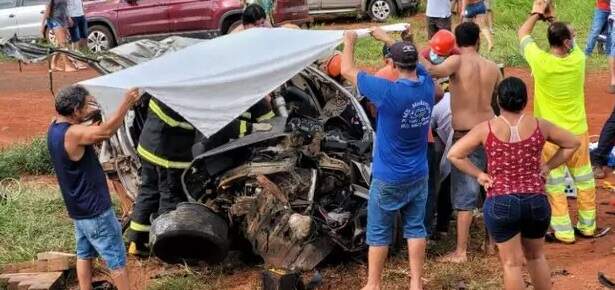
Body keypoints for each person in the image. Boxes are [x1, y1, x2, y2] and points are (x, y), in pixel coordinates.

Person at [448, 77, 579, 290]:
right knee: (537, 257)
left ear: (498, 101)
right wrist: (547, 167)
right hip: (535, 200)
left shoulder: (487, 128)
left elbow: (455, 154)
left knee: (511, 264)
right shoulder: (539, 126)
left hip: (501, 201)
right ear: (525, 100)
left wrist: (480, 175)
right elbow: (572, 142)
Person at [342, 27, 435, 290]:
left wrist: (349, 42)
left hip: (388, 177)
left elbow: (347, 70)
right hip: (418, 173)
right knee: (415, 228)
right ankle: (415, 283)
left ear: (392, 65)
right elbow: (421, 64)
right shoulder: (427, 86)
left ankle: (373, 284)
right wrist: (392, 39)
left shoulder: (388, 92)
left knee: (379, 233)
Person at [421, 22, 502, 263]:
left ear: (457, 43)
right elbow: (498, 102)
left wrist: (422, 53)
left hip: (466, 134)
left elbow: (432, 71)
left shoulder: (456, 62)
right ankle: (491, 244)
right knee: (492, 188)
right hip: (491, 131)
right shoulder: (492, 67)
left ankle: (461, 251)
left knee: (465, 195)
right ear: (478, 40)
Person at [518, 4, 598, 243]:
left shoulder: (540, 62)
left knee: (554, 183)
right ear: (566, 43)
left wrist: (536, 13)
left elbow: (522, 34)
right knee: (584, 180)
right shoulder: (578, 60)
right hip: (578, 132)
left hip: (551, 136)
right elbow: (569, 39)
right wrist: (553, 18)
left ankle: (562, 231)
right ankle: (587, 226)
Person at [47, 85, 140, 290]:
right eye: (85, 105)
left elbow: (83, 126)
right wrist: (126, 103)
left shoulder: (54, 127)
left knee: (84, 254)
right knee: (117, 261)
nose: (89, 107)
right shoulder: (74, 134)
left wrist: (89, 115)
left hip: (78, 209)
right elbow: (105, 132)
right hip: (95, 210)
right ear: (75, 111)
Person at [125, 96, 195, 256]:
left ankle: (137, 242)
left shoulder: (168, 81)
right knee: (170, 198)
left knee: (148, 192)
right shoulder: (190, 91)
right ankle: (166, 248)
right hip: (169, 154)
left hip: (149, 146)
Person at [430, 89, 453, 237]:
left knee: (447, 179)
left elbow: (428, 131)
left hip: (459, 135)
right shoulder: (448, 98)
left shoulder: (434, 107)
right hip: (485, 128)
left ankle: (441, 227)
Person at [42, 0, 76, 71]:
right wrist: (42, 25)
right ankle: (67, 66)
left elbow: (64, 8)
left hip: (63, 20)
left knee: (60, 44)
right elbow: (47, 9)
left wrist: (68, 18)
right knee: (62, 44)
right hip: (55, 21)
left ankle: (53, 64)